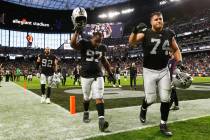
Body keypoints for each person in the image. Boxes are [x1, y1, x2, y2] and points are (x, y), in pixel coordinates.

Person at [129, 11, 184, 136]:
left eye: (160, 19)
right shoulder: (145, 33)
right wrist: (134, 30)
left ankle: (163, 124)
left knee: (165, 98)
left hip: (164, 70)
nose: (159, 21)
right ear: (151, 22)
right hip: (149, 71)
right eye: (156, 19)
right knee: (151, 99)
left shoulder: (169, 33)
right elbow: (131, 42)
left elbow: (176, 49)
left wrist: (179, 62)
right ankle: (143, 108)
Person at [71, 31, 115, 132]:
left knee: (99, 97)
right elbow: (73, 44)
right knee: (86, 97)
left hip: (98, 75)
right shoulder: (84, 43)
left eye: (100, 41)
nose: (98, 43)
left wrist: (110, 73)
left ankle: (101, 122)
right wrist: (76, 33)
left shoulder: (101, 47)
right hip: (85, 76)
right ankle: (86, 111)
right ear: (93, 37)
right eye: (96, 41)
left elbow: (104, 60)